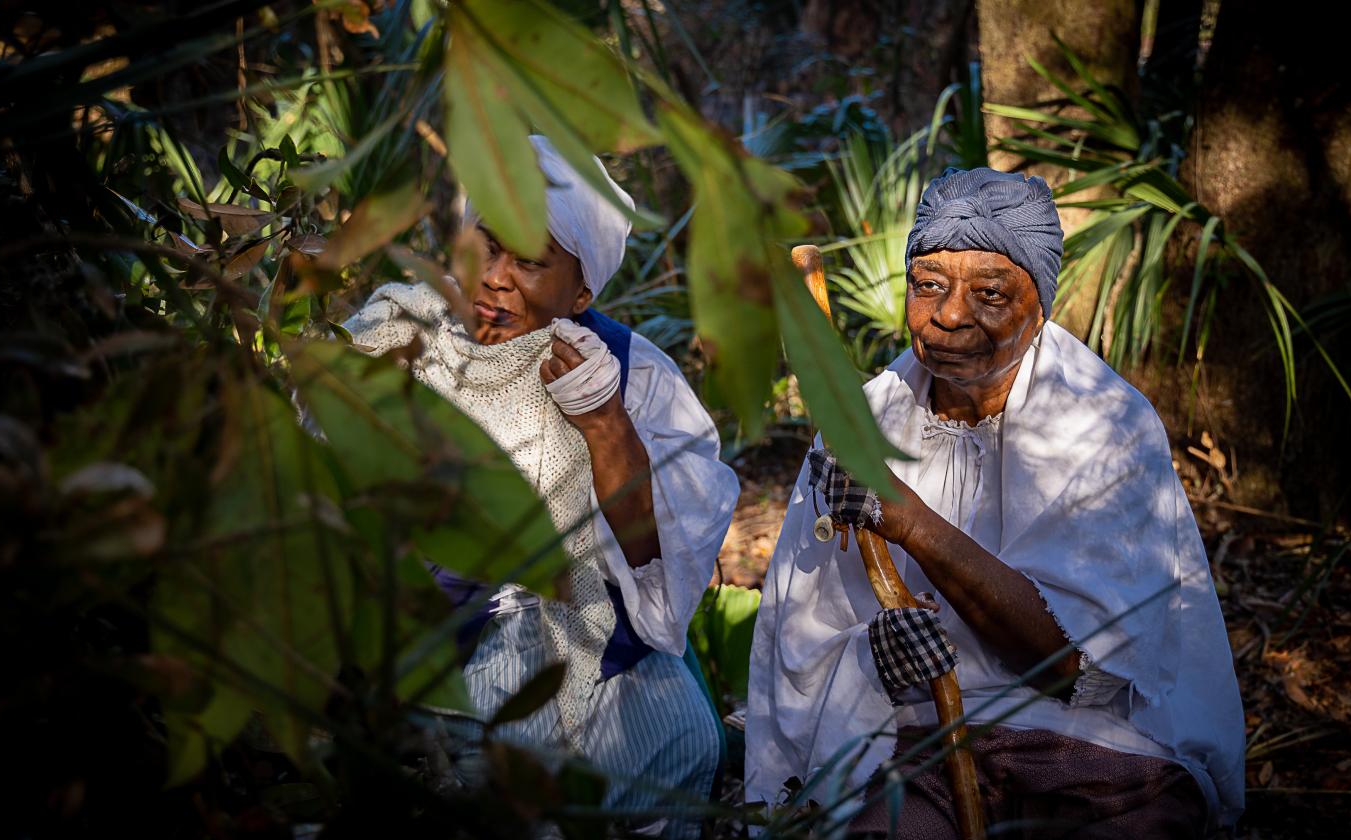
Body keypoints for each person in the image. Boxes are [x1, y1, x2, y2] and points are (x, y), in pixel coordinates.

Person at [745, 167, 1244, 837]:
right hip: (917, 744)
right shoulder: (859, 425)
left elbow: (1073, 667)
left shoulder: (1106, 423)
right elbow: (801, 629)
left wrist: (914, 522)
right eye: (928, 285)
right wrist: (876, 655)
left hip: (1098, 747)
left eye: (989, 291)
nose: (950, 314)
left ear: (1040, 304)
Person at [343, 136, 738, 837]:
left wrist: (607, 429)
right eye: (484, 245)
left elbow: (663, 561)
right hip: (430, 637)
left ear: (581, 291)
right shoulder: (399, 339)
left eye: (528, 260)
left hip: (590, 626)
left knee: (687, 742)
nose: (494, 279)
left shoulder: (627, 375)